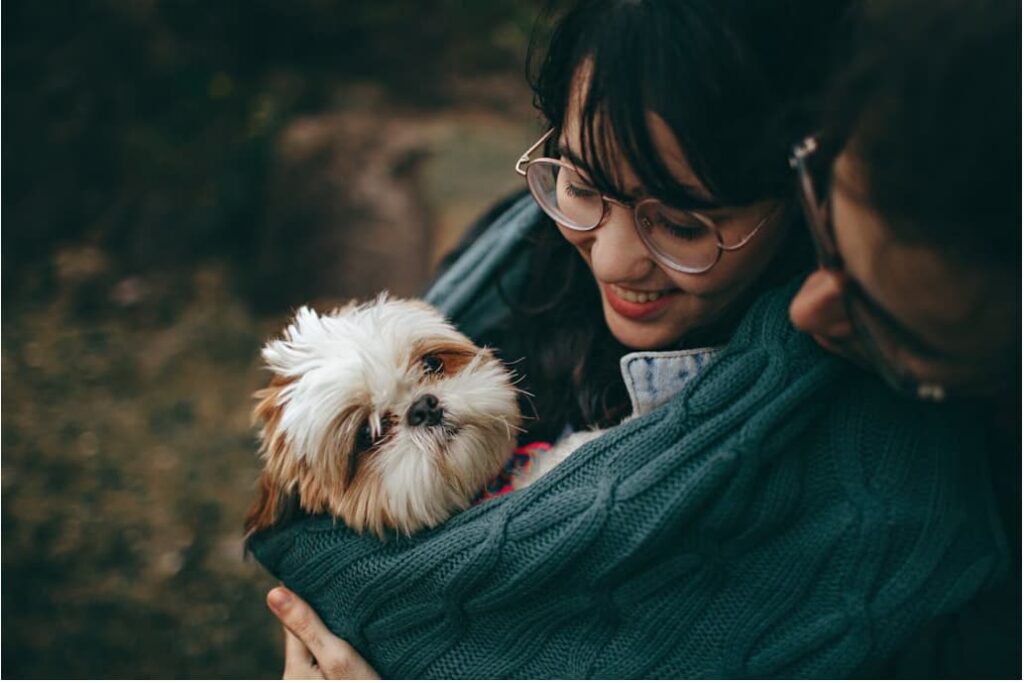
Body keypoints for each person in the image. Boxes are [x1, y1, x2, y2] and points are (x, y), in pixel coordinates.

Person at [248, 0, 1007, 678]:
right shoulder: (511, 255)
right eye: (582, 185)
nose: (611, 259)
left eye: (682, 223)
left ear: (805, 188)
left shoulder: (915, 460)